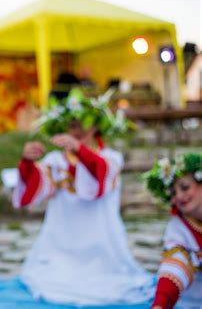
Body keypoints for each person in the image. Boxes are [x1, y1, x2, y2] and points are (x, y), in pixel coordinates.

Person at [13, 89, 154, 305]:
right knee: (51, 279)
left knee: (110, 283)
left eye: (82, 123)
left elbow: (100, 178)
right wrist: (26, 163)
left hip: (102, 246)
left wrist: (80, 150)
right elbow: (37, 188)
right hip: (61, 242)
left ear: (96, 125)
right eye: (71, 124)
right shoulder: (55, 160)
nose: (76, 130)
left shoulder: (110, 158)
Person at [144, 153, 202, 308]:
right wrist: (160, 305)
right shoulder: (178, 228)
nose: (179, 196)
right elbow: (175, 266)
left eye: (184, 187)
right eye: (173, 193)